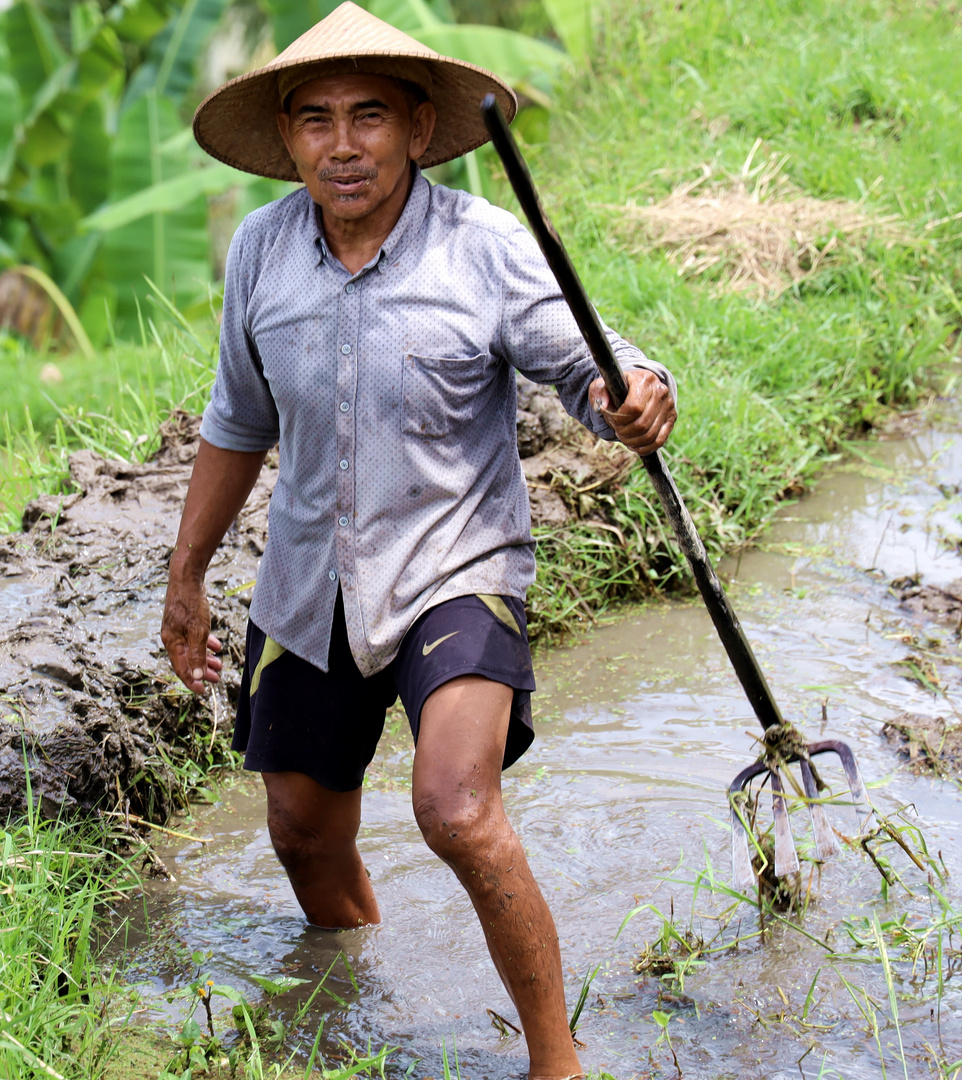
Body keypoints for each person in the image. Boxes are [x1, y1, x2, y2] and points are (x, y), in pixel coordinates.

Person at [160, 4, 676, 1078]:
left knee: (452, 806)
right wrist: (187, 572)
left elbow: (587, 364)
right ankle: (351, 1000)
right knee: (301, 835)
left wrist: (629, 395)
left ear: (415, 125)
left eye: (367, 118)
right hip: (309, 577)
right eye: (314, 121)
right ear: (288, 137)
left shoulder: (482, 247)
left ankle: (555, 1062)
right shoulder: (262, 250)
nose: (341, 147)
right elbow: (236, 422)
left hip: (456, 564)